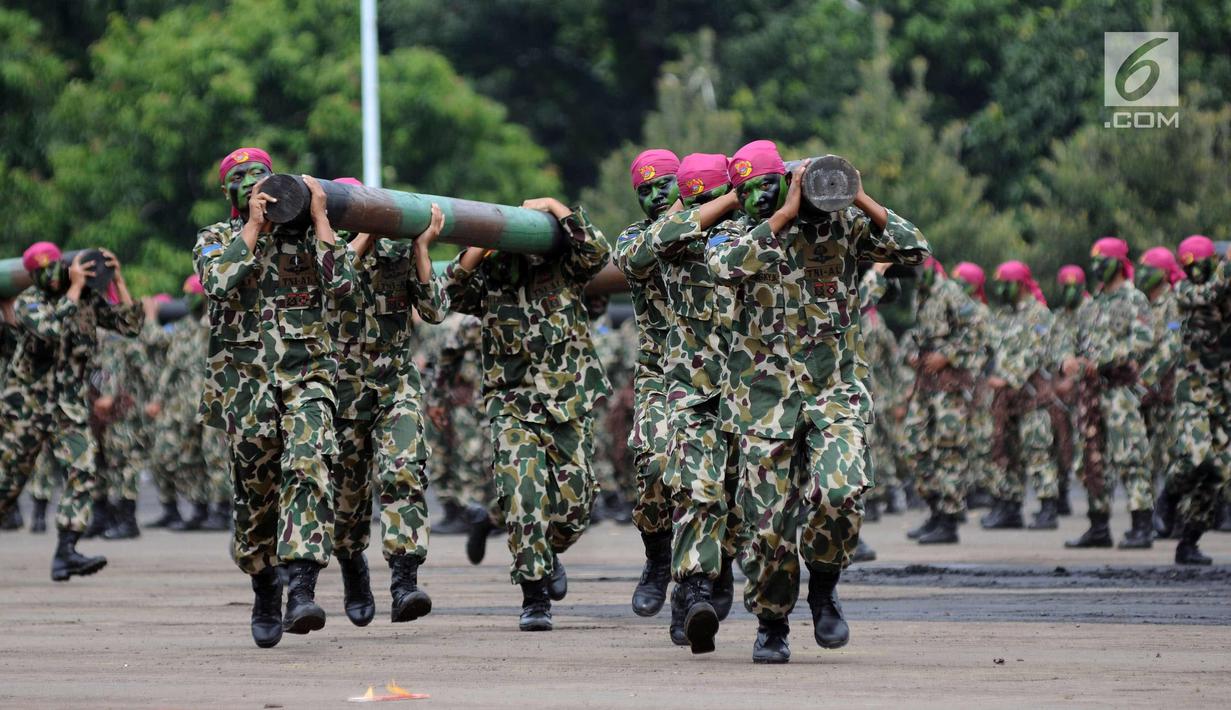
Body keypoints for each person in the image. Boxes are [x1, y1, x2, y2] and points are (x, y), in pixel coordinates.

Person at [707, 141, 930, 663]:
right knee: (767, 528)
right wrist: (783, 216)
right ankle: (772, 623)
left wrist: (856, 196)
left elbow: (914, 248)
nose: (762, 197)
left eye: (771, 186)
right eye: (751, 190)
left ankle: (825, 587)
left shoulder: (842, 227)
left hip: (834, 393)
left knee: (842, 491)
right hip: (763, 402)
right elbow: (724, 268)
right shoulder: (735, 232)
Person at [194, 147, 356, 648]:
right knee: (255, 500)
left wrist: (321, 217)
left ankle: (301, 589)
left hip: (308, 377)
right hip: (245, 388)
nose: (252, 181)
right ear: (228, 191)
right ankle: (264, 584)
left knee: (308, 465)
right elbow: (217, 283)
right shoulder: (214, 238)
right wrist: (253, 228)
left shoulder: (307, 235)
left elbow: (345, 285)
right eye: (240, 176)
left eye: (260, 173)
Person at [442, 196, 611, 632]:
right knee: (522, 498)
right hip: (512, 404)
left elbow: (596, 250)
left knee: (574, 509)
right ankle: (534, 596)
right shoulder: (491, 278)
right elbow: (450, 291)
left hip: (567, 402)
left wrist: (555, 206)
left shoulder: (564, 268)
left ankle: (546, 553)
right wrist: (485, 239)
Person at [326, 177, 447, 627]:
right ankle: (352, 565)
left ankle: (404, 581)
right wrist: (365, 234)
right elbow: (332, 287)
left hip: (395, 384)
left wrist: (421, 249)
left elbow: (434, 311)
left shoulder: (397, 250)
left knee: (403, 470)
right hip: (341, 391)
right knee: (347, 496)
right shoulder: (323, 252)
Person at [645, 151, 747, 653]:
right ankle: (691, 594)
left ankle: (717, 570)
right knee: (697, 491)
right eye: (699, 197)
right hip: (692, 392)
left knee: (738, 499)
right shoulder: (673, 236)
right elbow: (649, 244)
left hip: (748, 393)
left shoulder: (750, 235)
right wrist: (723, 201)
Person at [0, 242, 143, 580]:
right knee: (7, 483)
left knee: (83, 468)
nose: (51, 276)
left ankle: (66, 550)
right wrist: (75, 289)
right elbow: (49, 329)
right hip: (26, 406)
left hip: (68, 406)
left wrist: (117, 280)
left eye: (54, 268)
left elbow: (130, 326)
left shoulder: (88, 302)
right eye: (42, 272)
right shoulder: (28, 302)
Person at [611, 149, 681, 621]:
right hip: (662, 376)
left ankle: (705, 581)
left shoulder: (720, 229)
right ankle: (658, 558)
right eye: (645, 190)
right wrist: (686, 210)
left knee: (720, 484)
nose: (655, 196)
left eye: (664, 185)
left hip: (723, 376)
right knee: (654, 465)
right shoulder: (634, 238)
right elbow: (640, 257)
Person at [1062, 237, 1154, 550]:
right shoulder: (1092, 304)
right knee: (1091, 459)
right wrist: (1067, 359)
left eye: (1103, 261)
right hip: (1090, 393)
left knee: (1131, 456)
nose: (1097, 267)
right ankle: (1098, 527)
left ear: (1118, 263)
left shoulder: (1134, 299)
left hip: (1119, 391)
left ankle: (1142, 526)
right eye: (1095, 261)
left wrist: (1102, 360)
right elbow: (1071, 338)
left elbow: (1142, 341)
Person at [1154, 236, 1230, 564]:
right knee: (1195, 458)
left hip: (1224, 396)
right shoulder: (1184, 291)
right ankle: (1169, 496)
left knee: (1219, 472)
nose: (1194, 271)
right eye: (1189, 267)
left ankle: (1189, 540)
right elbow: (1209, 293)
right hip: (1193, 394)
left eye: (1200, 265)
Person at [903, 258, 987, 545]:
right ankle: (935, 510)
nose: (915, 276)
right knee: (915, 445)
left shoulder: (951, 292)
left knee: (948, 449)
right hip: (925, 383)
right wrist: (914, 353)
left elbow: (976, 330)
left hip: (949, 386)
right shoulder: (920, 295)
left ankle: (949, 520)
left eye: (918, 270)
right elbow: (921, 332)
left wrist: (947, 355)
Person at [984, 261, 1058, 530]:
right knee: (1005, 451)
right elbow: (990, 348)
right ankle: (1009, 507)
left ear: (1020, 285)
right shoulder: (1002, 315)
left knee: (1037, 450)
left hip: (1031, 397)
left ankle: (1048, 508)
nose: (1001, 289)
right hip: (1005, 400)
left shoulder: (1039, 315)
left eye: (1006, 283)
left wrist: (1007, 377)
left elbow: (1035, 351)